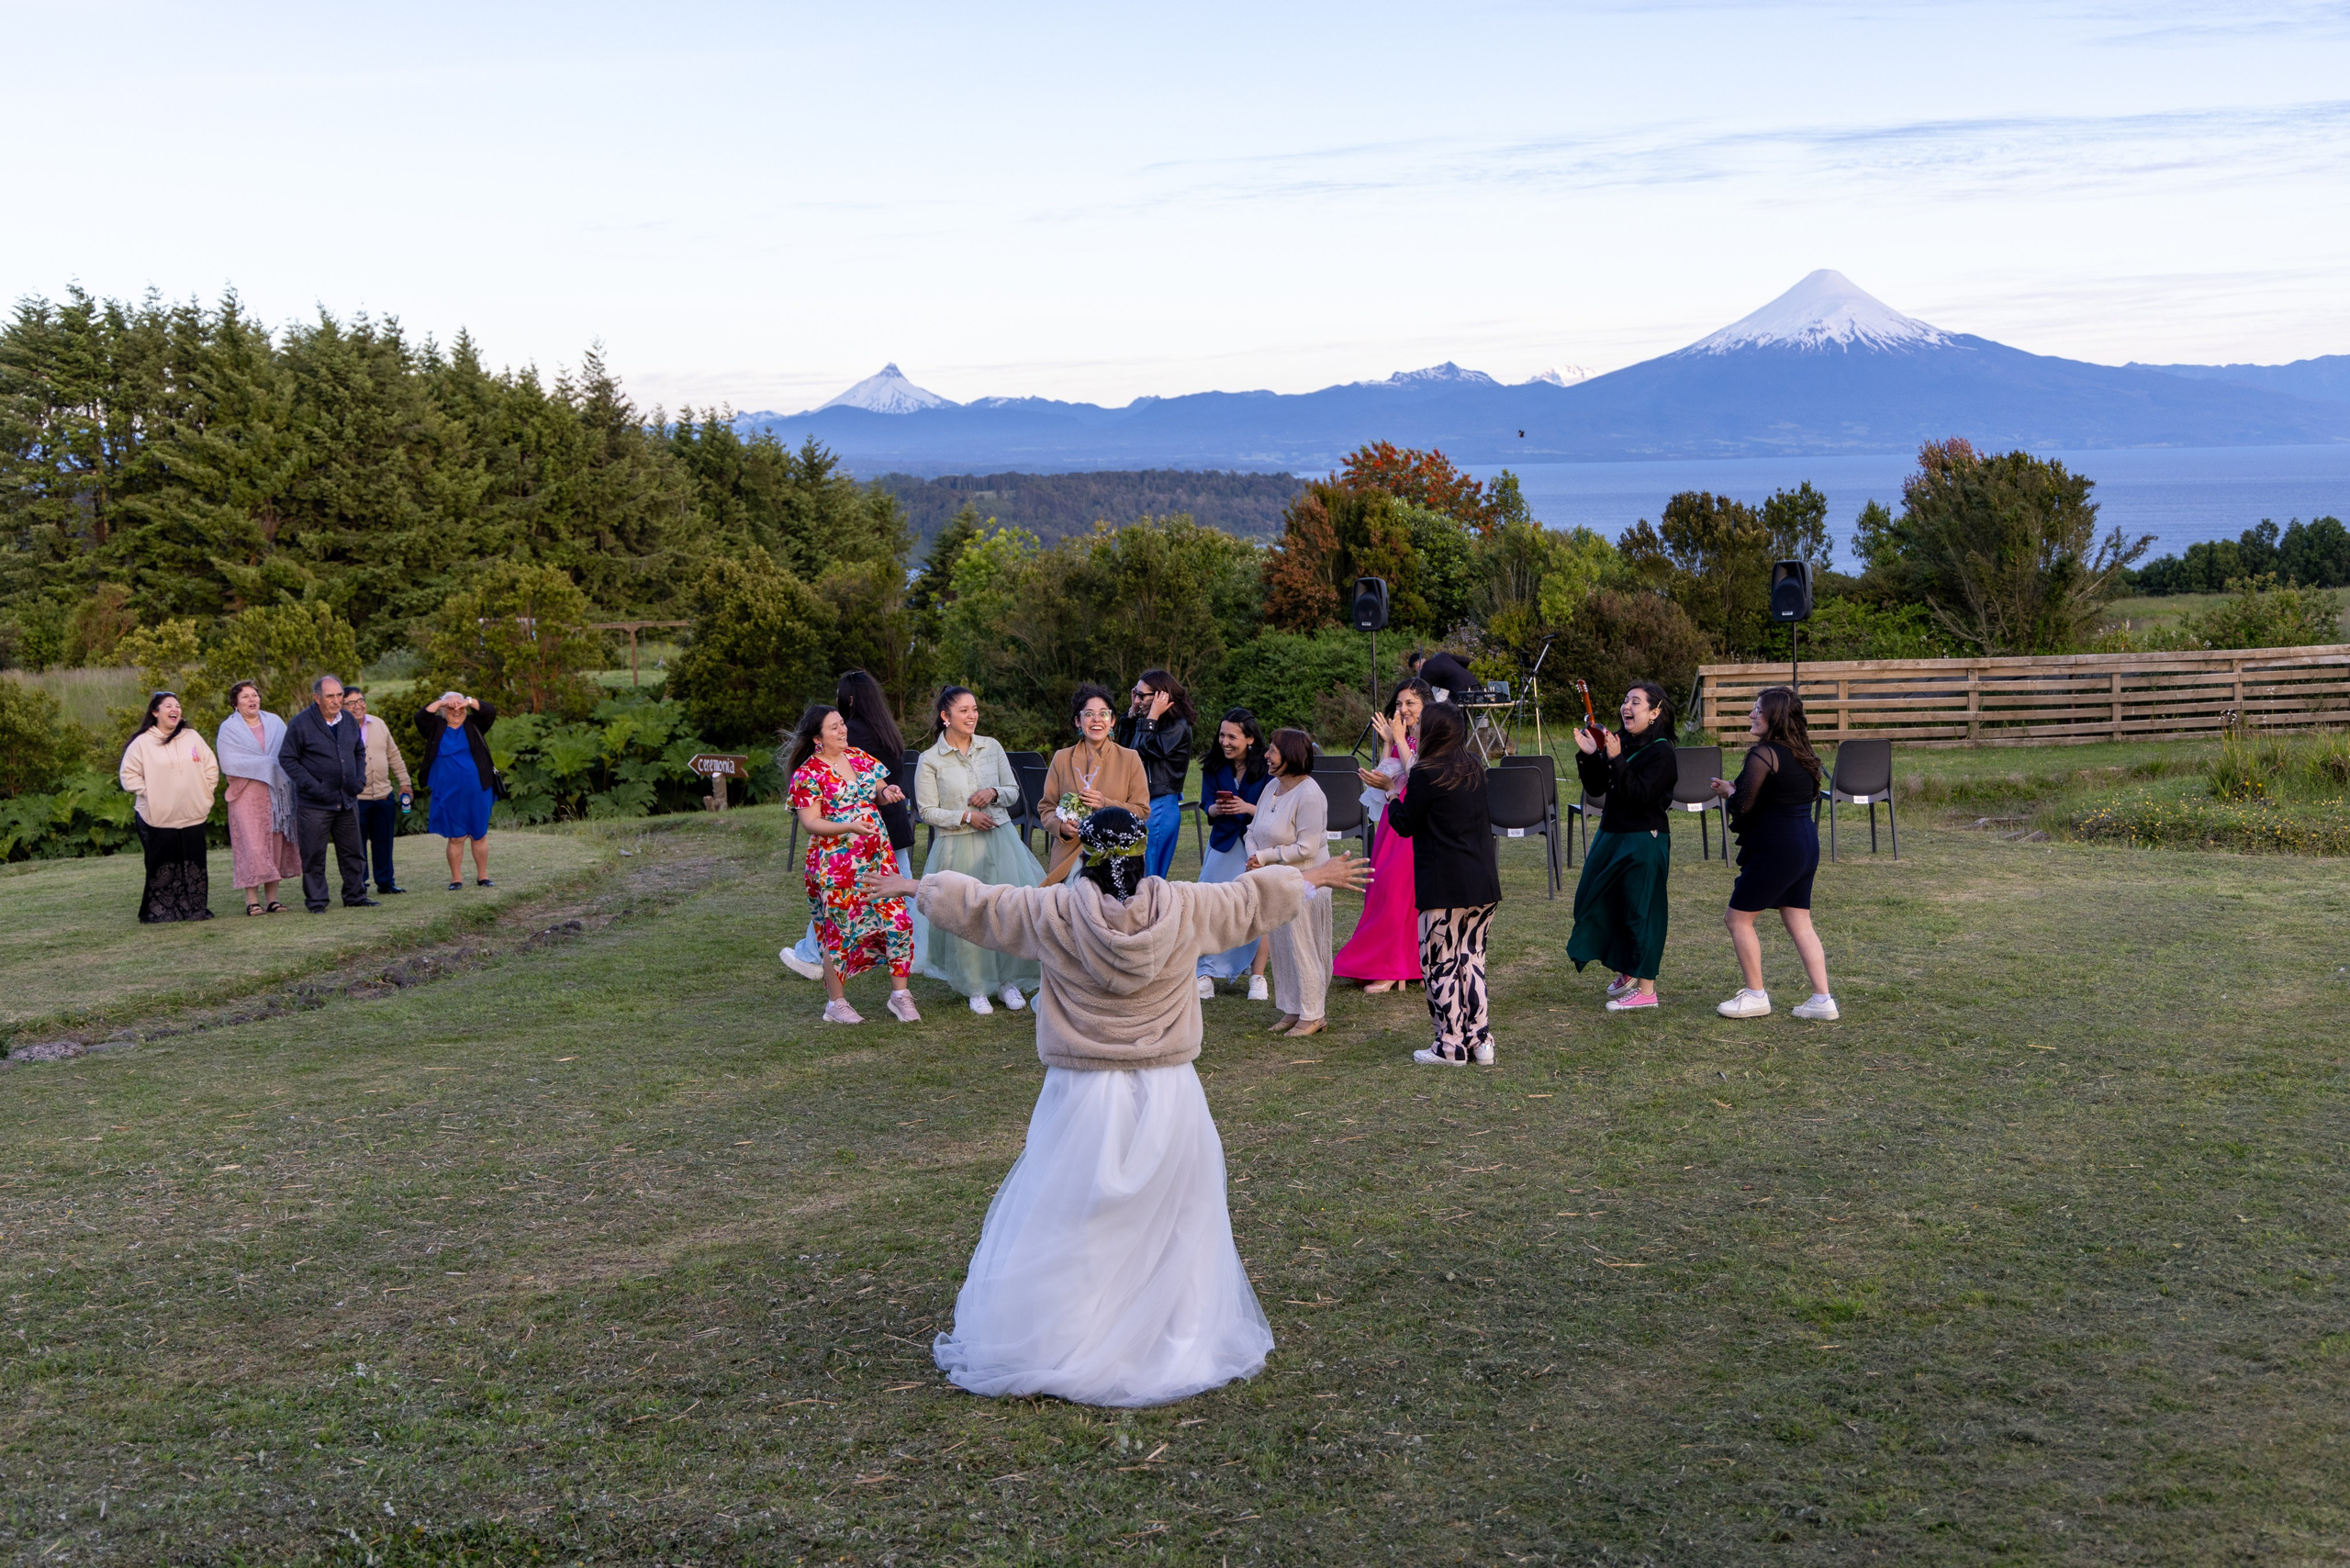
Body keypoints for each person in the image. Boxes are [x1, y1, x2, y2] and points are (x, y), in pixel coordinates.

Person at [878, 809, 1370, 1406]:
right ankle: (1172, 1334)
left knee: (1075, 1211)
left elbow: (987, 907)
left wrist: (918, 886)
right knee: (1174, 1212)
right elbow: (1247, 902)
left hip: (1083, 1089)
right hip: (1167, 1086)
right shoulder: (1185, 906)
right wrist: (1311, 875)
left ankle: (1071, 1334)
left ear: (1086, 852)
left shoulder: (1055, 911)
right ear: (1141, 851)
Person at [1708, 686, 1840, 1021]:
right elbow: (1776, 796)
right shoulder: (1802, 753)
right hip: (1805, 843)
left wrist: (1729, 793)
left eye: (1758, 709)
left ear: (1774, 717)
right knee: (1799, 921)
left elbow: (1743, 804)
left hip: (1777, 847)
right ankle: (1822, 1000)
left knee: (1737, 919)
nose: (1751, 715)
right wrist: (1734, 789)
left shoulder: (1764, 753)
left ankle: (1755, 996)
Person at [1382, 702, 1502, 1065]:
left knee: (1440, 964)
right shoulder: (1474, 767)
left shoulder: (1426, 773)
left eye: (1420, 723)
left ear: (1434, 730)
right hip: (1482, 882)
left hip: (1444, 885)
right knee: (1472, 960)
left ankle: (1450, 1045)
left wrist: (1390, 793)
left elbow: (1405, 824)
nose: (1414, 727)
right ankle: (1480, 1040)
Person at [781, 671, 923, 981]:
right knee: (858, 905)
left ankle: (894, 969)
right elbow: (811, 820)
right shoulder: (886, 728)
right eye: (834, 727)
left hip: (874, 839)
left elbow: (876, 787)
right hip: (865, 839)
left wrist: (886, 791)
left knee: (883, 903)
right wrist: (860, 816)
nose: (841, 729)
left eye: (840, 723)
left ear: (849, 699)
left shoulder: (856, 746)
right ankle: (836, 973)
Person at [915, 686, 1046, 1016]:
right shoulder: (930, 759)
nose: (972, 715)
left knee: (1004, 908)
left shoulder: (992, 747)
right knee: (966, 912)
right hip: (957, 844)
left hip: (999, 839)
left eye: (974, 709)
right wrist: (965, 816)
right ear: (945, 717)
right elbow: (927, 811)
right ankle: (976, 985)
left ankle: (1007, 979)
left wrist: (993, 792)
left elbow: (1013, 791)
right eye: (964, 710)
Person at [1566, 680, 1680, 1011]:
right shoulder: (1620, 741)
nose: (1626, 707)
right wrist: (1591, 755)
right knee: (1593, 901)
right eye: (1625, 700)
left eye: (1636, 702)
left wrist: (1616, 759)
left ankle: (1646, 991)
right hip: (1611, 834)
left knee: (1640, 911)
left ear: (1654, 712)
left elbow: (1640, 796)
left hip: (1644, 837)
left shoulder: (1662, 752)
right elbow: (1597, 788)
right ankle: (1628, 968)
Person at [1334, 678, 1430, 994]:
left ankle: (1398, 967)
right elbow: (1385, 777)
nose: (1403, 709)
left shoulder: (1431, 738)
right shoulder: (1404, 737)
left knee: (1399, 892)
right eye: (1399, 704)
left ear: (1426, 706)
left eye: (1410, 703)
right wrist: (1389, 743)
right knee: (1381, 890)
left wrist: (1399, 739)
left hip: (1414, 821)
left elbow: (1418, 776)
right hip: (1392, 817)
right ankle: (1391, 965)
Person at [1246, 728, 1332, 1038]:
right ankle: (1293, 1008)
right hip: (1277, 880)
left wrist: (1265, 856)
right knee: (1282, 947)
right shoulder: (1272, 786)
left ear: (1291, 756)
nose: (1266, 755)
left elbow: (1307, 848)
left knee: (1304, 946)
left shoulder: (1309, 794)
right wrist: (1254, 855)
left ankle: (1313, 1014)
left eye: (1273, 750)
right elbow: (1252, 830)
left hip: (1306, 882)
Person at [118, 691, 220, 924]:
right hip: (158, 816)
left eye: (177, 705)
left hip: (192, 814)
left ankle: (194, 909)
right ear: (155, 712)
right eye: (168, 706)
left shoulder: (192, 737)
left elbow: (210, 767)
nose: (175, 709)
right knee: (162, 864)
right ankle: (162, 912)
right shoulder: (143, 742)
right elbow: (129, 775)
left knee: (194, 863)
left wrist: (205, 791)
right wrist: (151, 793)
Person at [1193, 707, 1273, 1001]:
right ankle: (1205, 973)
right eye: (1222, 735)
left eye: (1232, 737)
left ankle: (1257, 976)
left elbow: (1274, 810)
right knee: (1209, 906)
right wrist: (1216, 808)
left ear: (1250, 739)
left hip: (1257, 847)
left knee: (1258, 908)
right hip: (1223, 843)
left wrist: (1247, 808)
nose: (1224, 742)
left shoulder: (1268, 766)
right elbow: (1206, 804)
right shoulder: (1213, 766)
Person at [280, 674, 375, 913]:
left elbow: (359, 751)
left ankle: (355, 896)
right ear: (317, 698)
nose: (336, 700)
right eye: (330, 696)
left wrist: (359, 779)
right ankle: (317, 901)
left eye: (339, 695)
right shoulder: (300, 723)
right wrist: (314, 786)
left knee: (353, 852)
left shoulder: (348, 720)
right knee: (313, 855)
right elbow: (287, 759)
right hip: (314, 804)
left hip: (347, 800)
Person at [1040, 682, 1149, 886]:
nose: (1097, 720)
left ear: (1113, 721)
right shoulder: (1061, 758)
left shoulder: (1130, 758)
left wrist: (1104, 803)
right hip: (1070, 854)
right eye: (1089, 714)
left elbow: (1142, 811)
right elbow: (1046, 807)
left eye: (1103, 714)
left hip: (1118, 855)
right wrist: (1061, 827)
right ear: (1078, 721)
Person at [214, 680, 300, 915]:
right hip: (246, 794)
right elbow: (229, 762)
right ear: (235, 703)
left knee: (275, 844)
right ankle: (252, 900)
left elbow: (288, 752)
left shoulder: (275, 722)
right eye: (245, 696)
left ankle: (273, 900)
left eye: (255, 695)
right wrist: (268, 765)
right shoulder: (229, 728)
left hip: (277, 795)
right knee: (251, 846)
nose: (252, 700)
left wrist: (270, 766)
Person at [1118, 667, 1195, 882]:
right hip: (1143, 802)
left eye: (1142, 695)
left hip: (1160, 804)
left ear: (1161, 696)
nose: (1137, 700)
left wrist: (1151, 717)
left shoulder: (1177, 726)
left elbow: (1142, 751)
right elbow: (1125, 751)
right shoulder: (1150, 723)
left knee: (1149, 875)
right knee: (1135, 874)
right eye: (1135, 693)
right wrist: (1133, 714)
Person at [416, 690, 498, 890]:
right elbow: (420, 718)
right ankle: (456, 879)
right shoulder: (436, 727)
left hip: (478, 790)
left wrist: (467, 701)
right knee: (456, 837)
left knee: (479, 834)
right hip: (448, 792)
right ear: (443, 711)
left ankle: (483, 876)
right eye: (450, 707)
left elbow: (489, 711)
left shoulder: (474, 724)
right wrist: (442, 702)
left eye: (459, 707)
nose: (456, 710)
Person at [342, 688, 412, 896]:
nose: (358, 706)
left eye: (361, 700)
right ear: (342, 707)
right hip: (356, 799)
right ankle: (359, 885)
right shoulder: (340, 729)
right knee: (356, 846)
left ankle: (386, 883)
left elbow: (393, 755)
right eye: (351, 703)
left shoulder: (378, 723)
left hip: (383, 796)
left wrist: (405, 782)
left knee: (384, 842)